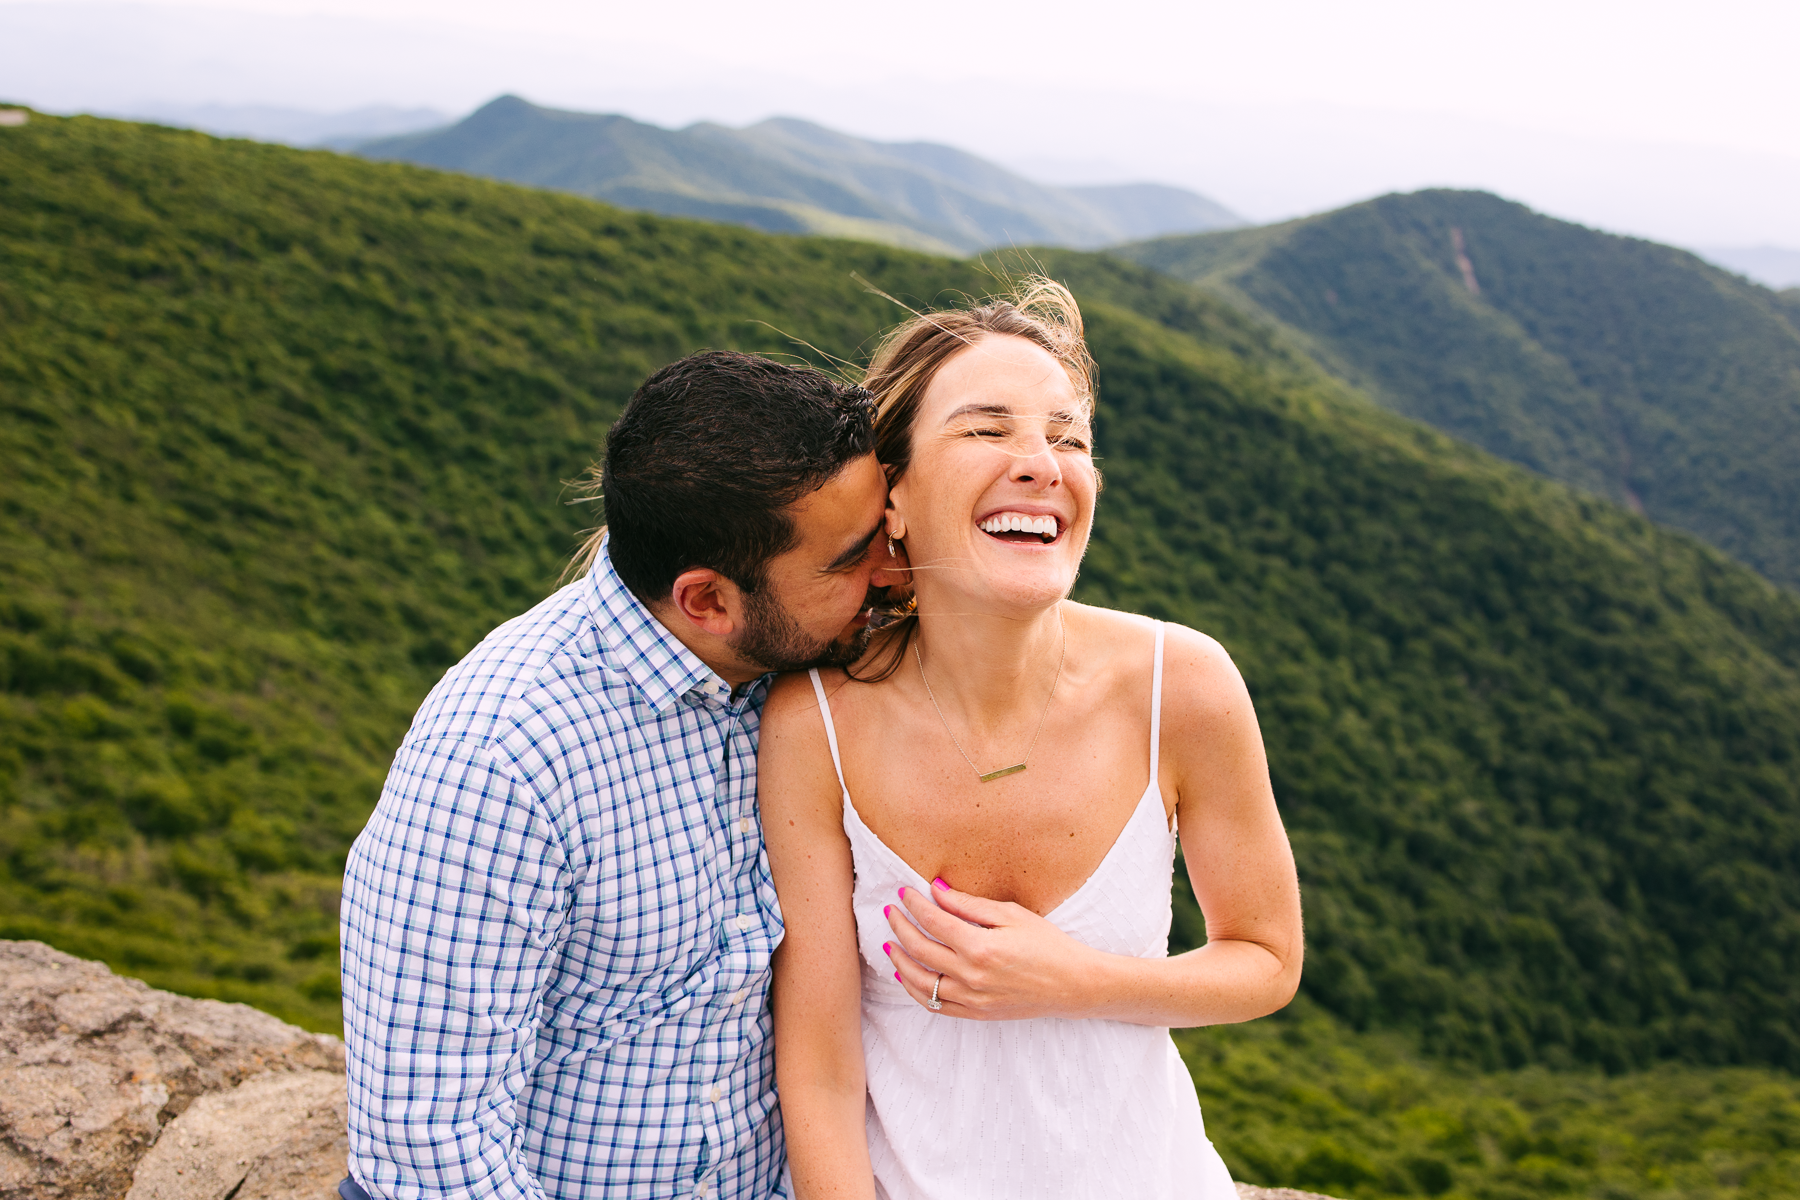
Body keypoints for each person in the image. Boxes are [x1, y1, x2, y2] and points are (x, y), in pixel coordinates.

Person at [759, 280, 1304, 1200]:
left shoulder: (1184, 684)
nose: (1042, 462)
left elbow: (1265, 960)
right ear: (892, 496)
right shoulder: (814, 722)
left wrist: (1071, 978)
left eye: (1069, 437)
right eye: (986, 429)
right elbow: (818, 1069)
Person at [337, 350, 900, 1199]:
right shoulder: (502, 758)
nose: (889, 572)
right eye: (850, 560)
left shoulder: (803, 668)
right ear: (708, 601)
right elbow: (428, 1144)